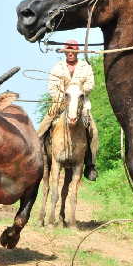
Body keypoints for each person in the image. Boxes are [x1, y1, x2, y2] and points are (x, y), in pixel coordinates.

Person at [37, 39, 99, 181]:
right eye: (68, 50)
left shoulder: (86, 67)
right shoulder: (57, 68)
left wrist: (76, 91)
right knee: (42, 127)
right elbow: (52, 87)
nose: (70, 53)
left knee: (93, 131)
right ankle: (36, 157)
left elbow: (90, 84)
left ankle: (90, 165)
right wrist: (63, 97)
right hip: (60, 103)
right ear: (65, 52)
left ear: (77, 52)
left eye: (73, 50)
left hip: (80, 103)